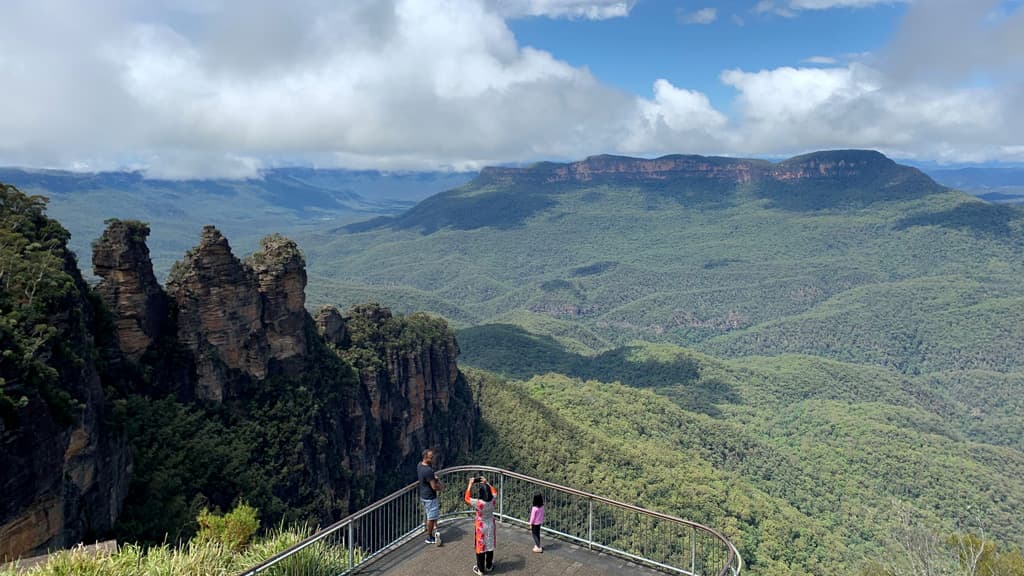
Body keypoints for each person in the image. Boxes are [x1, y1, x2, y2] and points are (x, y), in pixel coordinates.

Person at [465, 476, 498, 574]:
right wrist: (487, 483)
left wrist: (470, 484)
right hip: (491, 525)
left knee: (480, 547)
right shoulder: (493, 499)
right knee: (489, 544)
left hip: (480, 526)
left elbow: (466, 498)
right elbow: (494, 491)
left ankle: (481, 569)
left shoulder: (478, 503)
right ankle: (489, 565)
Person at [418, 449, 444, 545]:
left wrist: (433, 478)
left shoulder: (419, 465)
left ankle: (433, 528)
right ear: (426, 457)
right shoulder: (429, 470)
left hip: (423, 495)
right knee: (431, 517)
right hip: (430, 497)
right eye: (431, 457)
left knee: (429, 514)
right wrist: (440, 486)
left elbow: (427, 479)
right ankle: (429, 536)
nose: (433, 458)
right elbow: (434, 487)